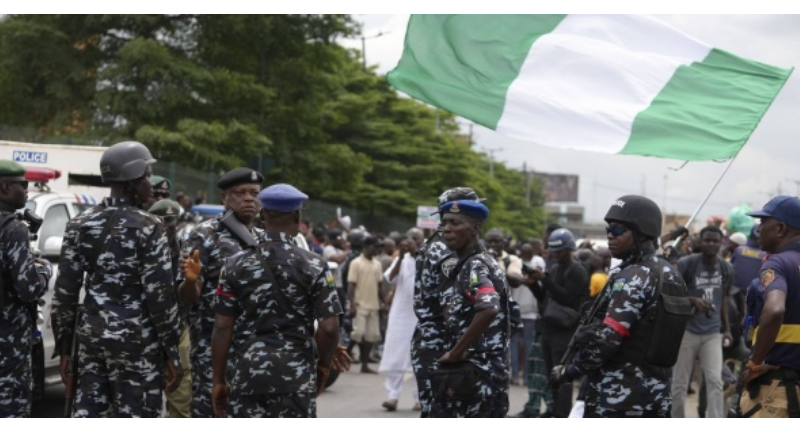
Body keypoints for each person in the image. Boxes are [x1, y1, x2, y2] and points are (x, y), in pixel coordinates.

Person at [51, 141, 183, 417]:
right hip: (137, 345)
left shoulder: (80, 224)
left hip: (91, 342)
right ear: (133, 180)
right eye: (146, 175)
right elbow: (161, 298)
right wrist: (172, 351)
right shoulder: (150, 227)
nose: (150, 183)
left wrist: (64, 349)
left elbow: (65, 294)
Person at [207, 183, 342, 417]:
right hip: (295, 378)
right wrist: (323, 366)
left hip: (246, 375)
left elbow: (221, 326)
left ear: (262, 215)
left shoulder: (235, 264)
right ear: (298, 216)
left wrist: (218, 379)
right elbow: (329, 328)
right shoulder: (314, 264)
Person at [549, 194, 689, 417]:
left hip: (619, 396)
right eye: (607, 230)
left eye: (616, 230)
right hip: (657, 395)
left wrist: (570, 371)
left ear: (642, 233)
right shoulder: (671, 273)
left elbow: (610, 335)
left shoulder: (633, 276)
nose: (609, 236)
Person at [178, 167, 263, 417]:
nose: (249, 198)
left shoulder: (262, 238)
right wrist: (191, 282)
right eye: (240, 193)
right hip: (212, 347)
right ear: (224, 198)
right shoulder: (204, 235)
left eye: (254, 193)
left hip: (253, 349)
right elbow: (186, 297)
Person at [429, 197, 510, 417]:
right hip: (483, 374)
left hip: (475, 377)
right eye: (445, 223)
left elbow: (489, 308)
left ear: (475, 228)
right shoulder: (480, 261)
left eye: (455, 223)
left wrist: (456, 353)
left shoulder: (475, 264)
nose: (447, 229)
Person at [411, 187, 482, 417]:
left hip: (431, 338)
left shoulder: (436, 244)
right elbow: (451, 308)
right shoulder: (448, 251)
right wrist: (459, 349)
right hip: (442, 341)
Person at [738, 196, 800, 418]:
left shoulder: (777, 263)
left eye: (764, 223)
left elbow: (774, 310)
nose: (759, 229)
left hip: (779, 393)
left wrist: (755, 364)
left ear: (781, 228)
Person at [0, 161, 51, 417]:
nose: (27, 190)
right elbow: (28, 289)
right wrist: (43, 271)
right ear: (4, 187)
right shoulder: (13, 229)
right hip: (8, 343)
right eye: (23, 184)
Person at [672, 225, 734, 419]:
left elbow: (723, 298)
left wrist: (727, 329)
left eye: (715, 241)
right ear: (700, 241)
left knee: (715, 381)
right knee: (679, 384)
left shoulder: (726, 268)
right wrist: (692, 300)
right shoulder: (687, 264)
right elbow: (672, 294)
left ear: (721, 243)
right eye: (707, 240)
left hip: (712, 333)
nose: (711, 244)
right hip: (687, 331)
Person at [528, 228, 589, 418]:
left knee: (562, 377)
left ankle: (563, 414)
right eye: (553, 251)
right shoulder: (553, 267)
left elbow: (566, 298)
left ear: (570, 249)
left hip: (565, 332)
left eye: (559, 251)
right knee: (551, 376)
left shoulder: (577, 270)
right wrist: (531, 284)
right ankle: (555, 412)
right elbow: (545, 299)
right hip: (548, 329)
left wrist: (545, 280)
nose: (555, 255)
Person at [149, 199, 193, 418]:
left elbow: (188, 296)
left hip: (178, 329)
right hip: (144, 332)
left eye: (171, 222)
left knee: (181, 398)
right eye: (161, 222)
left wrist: (190, 281)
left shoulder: (185, 252)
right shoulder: (137, 249)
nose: (167, 227)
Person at [379, 234, 420, 412]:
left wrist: (417, 253)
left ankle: (420, 399)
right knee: (395, 355)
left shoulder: (428, 260)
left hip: (420, 317)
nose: (412, 243)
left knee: (420, 358)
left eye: (416, 239)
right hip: (400, 315)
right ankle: (392, 397)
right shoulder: (401, 260)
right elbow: (391, 277)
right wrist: (401, 256)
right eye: (410, 240)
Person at [347, 235, 386, 373]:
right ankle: (344, 357)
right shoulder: (356, 263)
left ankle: (364, 364)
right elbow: (351, 285)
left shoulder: (377, 264)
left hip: (373, 305)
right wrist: (351, 304)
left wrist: (384, 302)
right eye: (376, 246)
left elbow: (380, 285)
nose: (378, 249)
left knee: (371, 335)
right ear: (367, 247)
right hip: (360, 304)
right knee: (358, 333)